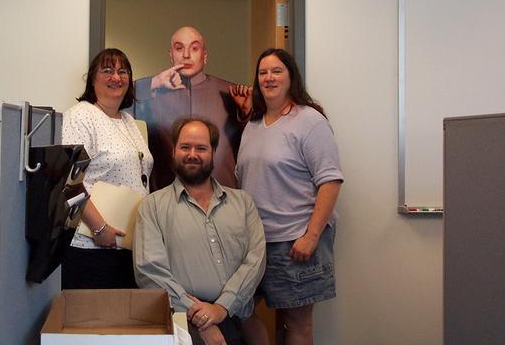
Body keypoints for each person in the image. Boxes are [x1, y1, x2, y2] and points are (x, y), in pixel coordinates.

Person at [236, 49, 344, 345]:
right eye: (263, 72)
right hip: (256, 242)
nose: (269, 78)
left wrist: (311, 236)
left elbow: (330, 181)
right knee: (237, 309)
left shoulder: (310, 121)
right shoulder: (253, 125)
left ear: (291, 76)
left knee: (296, 323)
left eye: (276, 71)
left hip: (295, 241)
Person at [134, 117, 265, 345]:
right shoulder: (152, 206)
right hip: (181, 320)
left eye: (201, 148)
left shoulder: (243, 203)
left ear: (213, 152)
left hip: (239, 317)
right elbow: (150, 272)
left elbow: (256, 259)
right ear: (173, 151)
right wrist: (200, 317)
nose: (192, 154)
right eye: (185, 147)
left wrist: (222, 307)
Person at [61, 48, 153, 289]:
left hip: (126, 245)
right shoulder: (81, 116)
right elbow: (69, 182)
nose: (116, 77)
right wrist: (99, 228)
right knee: (94, 313)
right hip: (91, 245)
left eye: (123, 71)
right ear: (92, 79)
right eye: (107, 70)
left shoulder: (128, 121)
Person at [131, 26, 251, 192]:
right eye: (179, 48)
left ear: (205, 56)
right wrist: (153, 83)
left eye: (194, 48)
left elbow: (253, 144)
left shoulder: (229, 93)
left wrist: (246, 114)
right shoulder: (150, 94)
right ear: (171, 55)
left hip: (221, 194)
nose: (186, 55)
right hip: (166, 197)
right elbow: (116, 97)